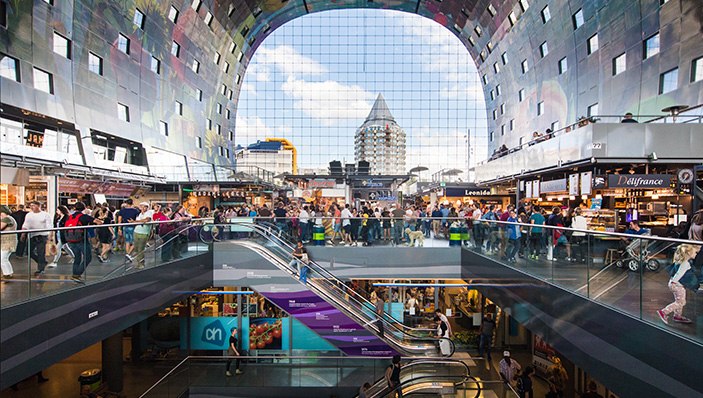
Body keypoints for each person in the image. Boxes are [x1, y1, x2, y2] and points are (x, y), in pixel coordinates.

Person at [657, 244, 700, 324]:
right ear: (689, 253)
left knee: (679, 301)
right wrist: (674, 282)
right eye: (695, 252)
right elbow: (679, 274)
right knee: (681, 302)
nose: (696, 254)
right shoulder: (685, 264)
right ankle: (664, 312)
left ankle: (677, 316)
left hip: (677, 284)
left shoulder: (680, 261)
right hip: (677, 285)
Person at [65, 202, 102, 282]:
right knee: (88, 258)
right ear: (84, 209)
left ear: (74, 208)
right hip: (82, 240)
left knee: (77, 258)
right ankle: (77, 274)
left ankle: (75, 274)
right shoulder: (84, 217)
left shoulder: (69, 217)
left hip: (71, 239)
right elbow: (99, 222)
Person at [22, 201, 53, 275]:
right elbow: (25, 225)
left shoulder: (45, 215)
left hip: (42, 235)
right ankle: (41, 262)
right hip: (32, 235)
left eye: (33, 205)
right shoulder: (29, 215)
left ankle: (40, 268)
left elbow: (50, 225)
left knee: (41, 252)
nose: (31, 207)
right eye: (31, 206)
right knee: (28, 251)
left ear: (39, 206)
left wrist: (50, 235)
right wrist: (23, 235)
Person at [130, 202, 154, 269]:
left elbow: (147, 220)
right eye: (141, 207)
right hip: (136, 231)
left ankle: (141, 264)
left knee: (140, 249)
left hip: (143, 233)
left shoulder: (149, 213)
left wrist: (135, 222)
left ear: (147, 207)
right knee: (136, 249)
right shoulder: (140, 214)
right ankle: (138, 263)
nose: (143, 208)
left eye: (144, 207)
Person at [1, 205, 17, 280]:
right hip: (7, 241)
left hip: (8, 242)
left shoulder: (7, 219)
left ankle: (7, 274)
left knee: (3, 258)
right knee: (4, 258)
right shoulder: (9, 218)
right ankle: (8, 273)